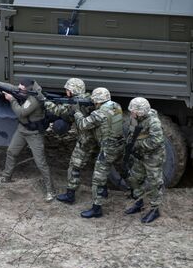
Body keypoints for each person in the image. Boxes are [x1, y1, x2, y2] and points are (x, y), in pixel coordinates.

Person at [0, 78, 56, 202]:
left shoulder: (35, 99)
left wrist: (12, 100)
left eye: (21, 89)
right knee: (11, 152)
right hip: (22, 129)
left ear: (28, 89)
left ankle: (50, 191)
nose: (19, 90)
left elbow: (21, 113)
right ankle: (6, 177)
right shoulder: (26, 90)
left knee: (40, 162)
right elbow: (11, 87)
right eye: (19, 88)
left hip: (34, 134)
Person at [43, 78, 97, 204]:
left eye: (67, 90)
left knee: (74, 167)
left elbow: (59, 111)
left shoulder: (76, 104)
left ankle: (70, 195)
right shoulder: (88, 99)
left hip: (85, 140)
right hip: (97, 138)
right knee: (101, 165)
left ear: (72, 91)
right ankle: (105, 190)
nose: (66, 91)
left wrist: (44, 101)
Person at [73, 87, 124, 218]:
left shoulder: (99, 113)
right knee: (109, 169)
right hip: (119, 144)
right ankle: (109, 192)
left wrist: (77, 112)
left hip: (108, 149)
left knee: (97, 178)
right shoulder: (116, 106)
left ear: (97, 101)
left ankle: (97, 209)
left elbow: (83, 125)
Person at [123, 97, 165, 223]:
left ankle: (155, 209)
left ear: (140, 112)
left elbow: (156, 141)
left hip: (153, 157)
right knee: (135, 179)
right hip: (139, 155)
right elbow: (132, 133)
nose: (131, 113)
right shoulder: (135, 118)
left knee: (154, 183)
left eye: (133, 111)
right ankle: (138, 202)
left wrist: (137, 145)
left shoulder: (153, 122)